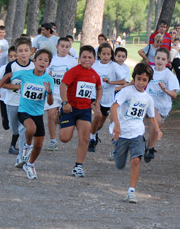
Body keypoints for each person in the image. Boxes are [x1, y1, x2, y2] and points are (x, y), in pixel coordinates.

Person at [0, 49, 55, 180]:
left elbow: (50, 101)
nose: (42, 62)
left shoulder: (49, 80)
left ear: (48, 64)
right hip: (23, 111)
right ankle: (27, 145)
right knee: (30, 129)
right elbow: (7, 76)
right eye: (40, 59)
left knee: (39, 145)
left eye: (46, 60)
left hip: (38, 113)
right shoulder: (24, 74)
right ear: (34, 61)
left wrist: (49, 93)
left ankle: (30, 164)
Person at [110, 63, 162, 203]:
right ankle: (116, 149)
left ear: (148, 81)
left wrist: (157, 130)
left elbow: (151, 116)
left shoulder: (148, 98)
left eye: (144, 80)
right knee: (119, 165)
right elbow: (114, 107)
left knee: (136, 160)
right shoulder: (127, 92)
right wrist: (117, 125)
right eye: (139, 79)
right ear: (134, 79)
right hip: (122, 132)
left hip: (137, 133)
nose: (141, 83)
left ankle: (131, 191)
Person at [59, 45, 103, 178]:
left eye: (90, 57)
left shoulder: (95, 75)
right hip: (70, 108)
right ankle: (59, 116)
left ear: (94, 59)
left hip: (84, 110)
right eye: (84, 57)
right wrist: (65, 102)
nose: (87, 60)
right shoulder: (74, 71)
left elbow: (99, 88)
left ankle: (78, 166)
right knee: (64, 138)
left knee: (84, 138)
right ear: (79, 58)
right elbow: (63, 85)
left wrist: (97, 101)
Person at [0, 38, 34, 159]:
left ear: (31, 51)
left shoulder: (34, 65)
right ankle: (16, 135)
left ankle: (22, 157)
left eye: (26, 50)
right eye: (20, 51)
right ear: (16, 52)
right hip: (12, 101)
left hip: (27, 103)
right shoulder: (11, 66)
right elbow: (3, 84)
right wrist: (17, 86)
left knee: (23, 130)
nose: (23, 53)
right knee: (14, 128)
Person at [88, 43, 126, 152]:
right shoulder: (94, 65)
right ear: (99, 54)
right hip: (94, 95)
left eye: (108, 54)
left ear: (111, 55)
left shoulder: (114, 66)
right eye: (103, 54)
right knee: (97, 115)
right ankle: (91, 139)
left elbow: (123, 81)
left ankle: (94, 134)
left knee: (100, 124)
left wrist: (110, 82)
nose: (106, 56)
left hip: (108, 98)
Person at [43, 37, 77, 152]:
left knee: (62, 115)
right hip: (53, 91)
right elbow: (45, 74)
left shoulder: (72, 61)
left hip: (66, 93)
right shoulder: (51, 60)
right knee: (51, 115)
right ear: (57, 47)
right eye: (62, 46)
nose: (64, 49)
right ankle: (53, 141)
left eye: (67, 47)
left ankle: (61, 120)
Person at [145, 48, 179, 161]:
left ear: (167, 61)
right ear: (154, 58)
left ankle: (148, 146)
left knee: (156, 126)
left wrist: (165, 90)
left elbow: (174, 95)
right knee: (157, 121)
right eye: (158, 58)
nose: (160, 61)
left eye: (163, 59)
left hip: (164, 106)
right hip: (149, 103)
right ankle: (151, 148)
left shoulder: (169, 76)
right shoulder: (149, 71)